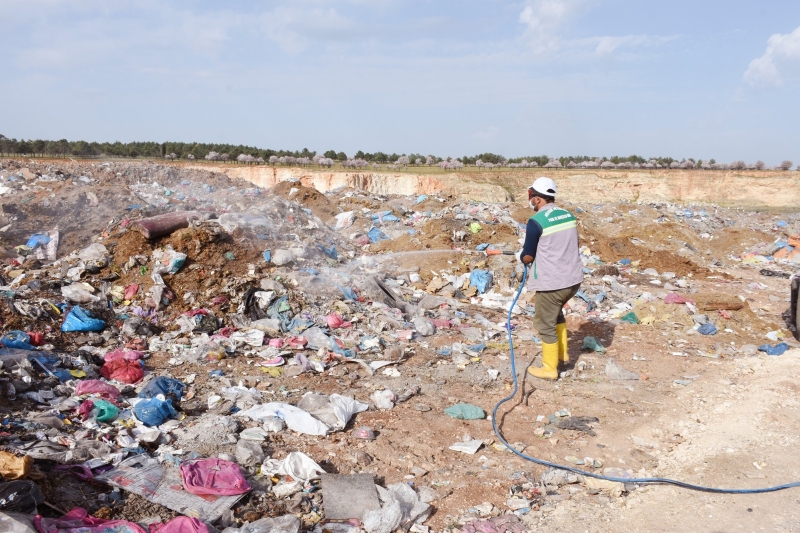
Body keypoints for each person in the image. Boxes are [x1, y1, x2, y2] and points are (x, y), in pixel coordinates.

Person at [519, 177, 584, 380]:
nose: (529, 199)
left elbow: (528, 256)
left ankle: (549, 369)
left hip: (553, 284)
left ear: (538, 199)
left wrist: (521, 256)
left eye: (531, 196)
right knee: (556, 316)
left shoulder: (536, 221)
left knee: (544, 323)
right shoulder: (567, 215)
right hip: (573, 280)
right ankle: (562, 356)